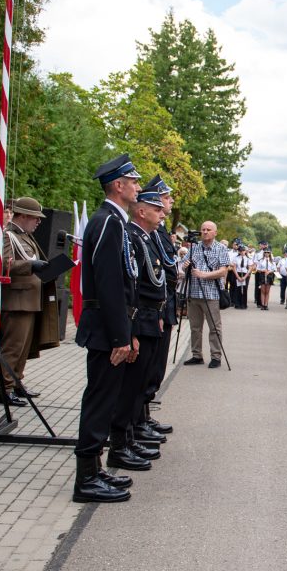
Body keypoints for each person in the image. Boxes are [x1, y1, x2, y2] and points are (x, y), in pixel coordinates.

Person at [72, 154, 143, 503]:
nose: (138, 187)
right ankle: (85, 479)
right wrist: (120, 336)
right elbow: (109, 283)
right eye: (134, 181)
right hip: (105, 329)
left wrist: (127, 331)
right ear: (118, 185)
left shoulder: (114, 220)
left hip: (112, 327)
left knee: (105, 398)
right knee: (99, 401)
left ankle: (95, 470)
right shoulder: (107, 222)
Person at [108, 189, 169, 471]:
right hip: (140, 317)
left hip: (150, 315)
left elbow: (156, 279)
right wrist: (132, 328)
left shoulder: (146, 237)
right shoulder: (132, 236)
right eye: (157, 209)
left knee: (140, 380)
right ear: (142, 212)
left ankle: (130, 436)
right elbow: (133, 285)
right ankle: (121, 442)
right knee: (131, 385)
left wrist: (158, 313)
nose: (163, 213)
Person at [0, 197, 54, 406]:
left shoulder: (25, 237)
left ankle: (16, 382)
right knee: (13, 347)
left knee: (24, 348)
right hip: (16, 300)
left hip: (28, 300)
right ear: (22, 216)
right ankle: (4, 388)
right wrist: (32, 266)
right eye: (34, 218)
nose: (38, 222)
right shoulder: (8, 236)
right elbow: (3, 264)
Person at [140, 174, 179, 436]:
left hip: (163, 304)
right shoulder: (149, 232)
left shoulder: (160, 230)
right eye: (166, 198)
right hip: (153, 308)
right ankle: (138, 420)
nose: (171, 201)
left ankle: (143, 416)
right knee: (146, 370)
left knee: (155, 368)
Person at [179, 221, 231, 368]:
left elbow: (223, 271)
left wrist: (203, 275)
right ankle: (197, 355)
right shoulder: (194, 248)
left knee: (214, 327)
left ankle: (216, 356)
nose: (205, 232)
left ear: (215, 232)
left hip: (211, 294)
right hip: (193, 292)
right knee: (195, 327)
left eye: (209, 229)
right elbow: (182, 267)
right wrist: (184, 267)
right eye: (203, 229)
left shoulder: (221, 248)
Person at [233, 245, 251, 309]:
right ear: (239, 251)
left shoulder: (248, 258)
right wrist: (237, 276)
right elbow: (234, 268)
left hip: (245, 274)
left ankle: (244, 304)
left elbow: (249, 269)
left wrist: (245, 277)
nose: (242, 252)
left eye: (243, 250)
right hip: (238, 273)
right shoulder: (236, 258)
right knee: (238, 288)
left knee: (244, 289)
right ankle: (237, 303)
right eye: (241, 251)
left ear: (245, 251)